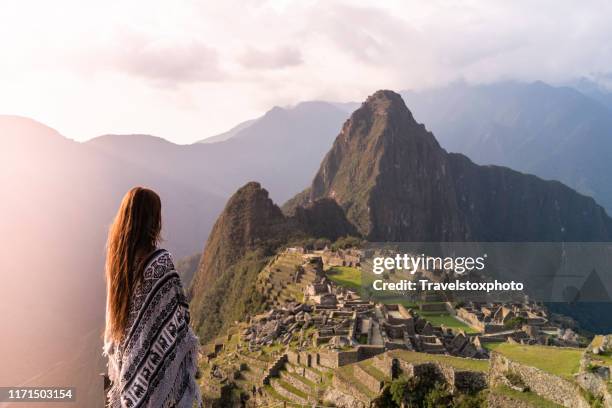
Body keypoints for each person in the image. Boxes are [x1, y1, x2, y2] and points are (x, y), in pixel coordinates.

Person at [103, 187, 201, 407]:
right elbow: (180, 315)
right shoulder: (160, 262)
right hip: (154, 370)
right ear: (152, 219)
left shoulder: (118, 263)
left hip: (127, 367)